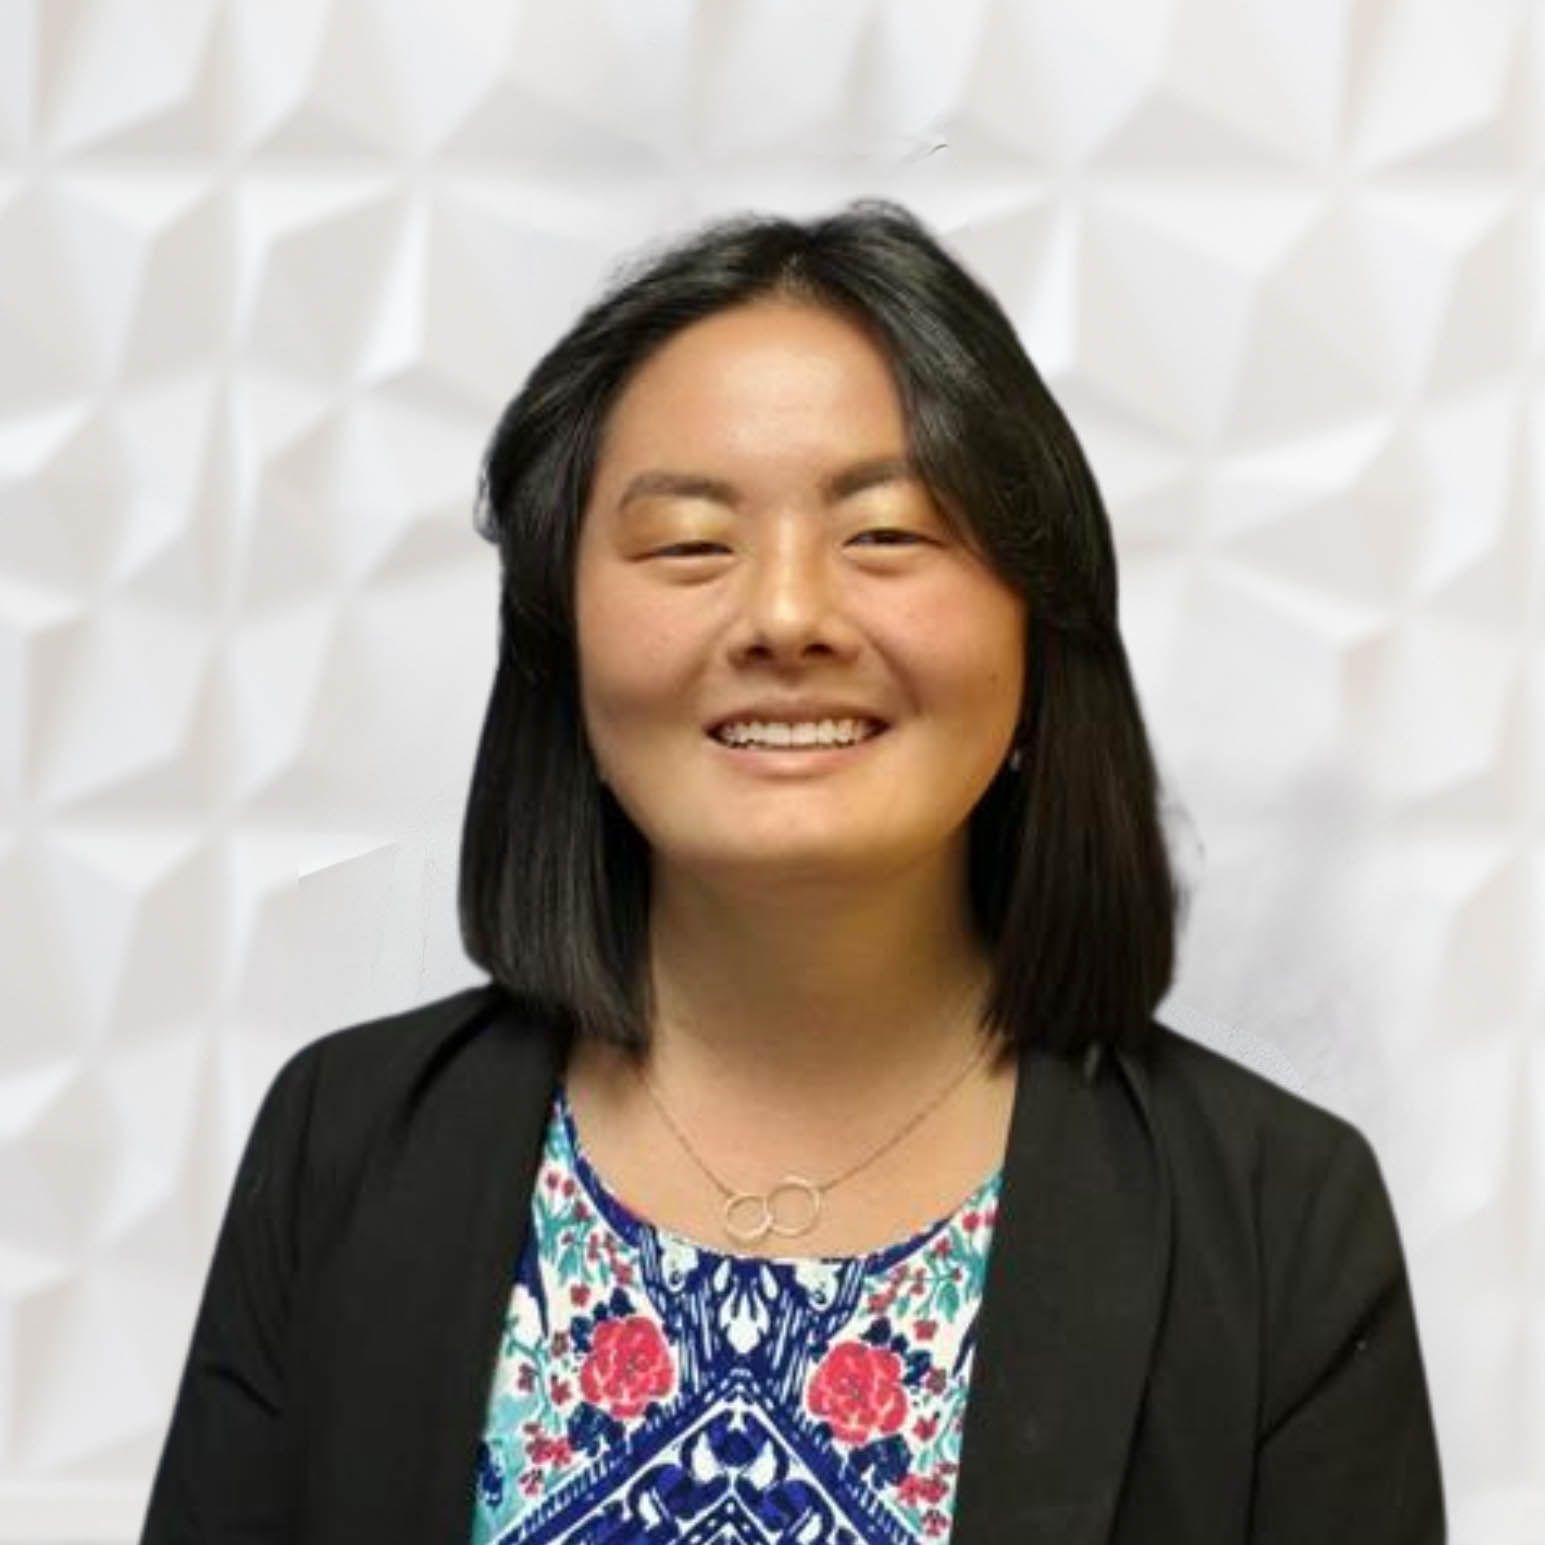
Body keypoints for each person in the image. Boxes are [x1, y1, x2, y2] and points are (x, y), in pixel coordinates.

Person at [138, 199, 1445, 1544]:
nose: (783, 616)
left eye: (887, 534)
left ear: (1038, 628)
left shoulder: (1278, 1220)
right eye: (688, 545)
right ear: (560, 641)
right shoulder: (346, 1146)